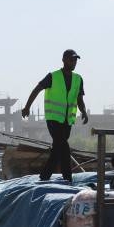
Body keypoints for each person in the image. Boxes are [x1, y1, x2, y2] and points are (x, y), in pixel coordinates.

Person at [21, 49, 88, 183]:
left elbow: (79, 98)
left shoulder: (78, 79)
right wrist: (27, 107)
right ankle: (67, 178)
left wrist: (84, 111)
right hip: (54, 119)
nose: (73, 62)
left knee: (58, 148)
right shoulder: (53, 76)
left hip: (67, 120)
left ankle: (45, 177)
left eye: (75, 60)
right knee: (64, 146)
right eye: (71, 59)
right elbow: (37, 89)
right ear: (63, 60)